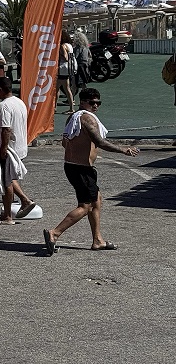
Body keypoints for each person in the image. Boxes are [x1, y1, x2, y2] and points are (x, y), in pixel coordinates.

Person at [43, 88, 139, 255]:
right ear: (82, 102)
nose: (95, 106)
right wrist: (123, 149)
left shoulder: (72, 117)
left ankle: (97, 240)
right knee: (85, 206)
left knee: (97, 200)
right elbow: (100, 142)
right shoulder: (88, 120)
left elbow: (65, 143)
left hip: (74, 166)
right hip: (81, 169)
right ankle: (55, 233)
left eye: (98, 102)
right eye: (92, 102)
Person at [0, 77, 35, 224]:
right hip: (20, 146)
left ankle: (10, 213)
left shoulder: (3, 106)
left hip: (10, 148)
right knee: (10, 178)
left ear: (1, 89)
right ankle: (18, 205)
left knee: (6, 181)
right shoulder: (19, 102)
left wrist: (3, 148)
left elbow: (6, 129)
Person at [57, 30, 76, 113]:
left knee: (65, 88)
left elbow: (65, 57)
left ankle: (71, 108)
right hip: (68, 68)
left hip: (62, 68)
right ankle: (54, 106)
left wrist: (58, 54)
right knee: (58, 88)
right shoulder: (69, 45)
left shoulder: (62, 46)